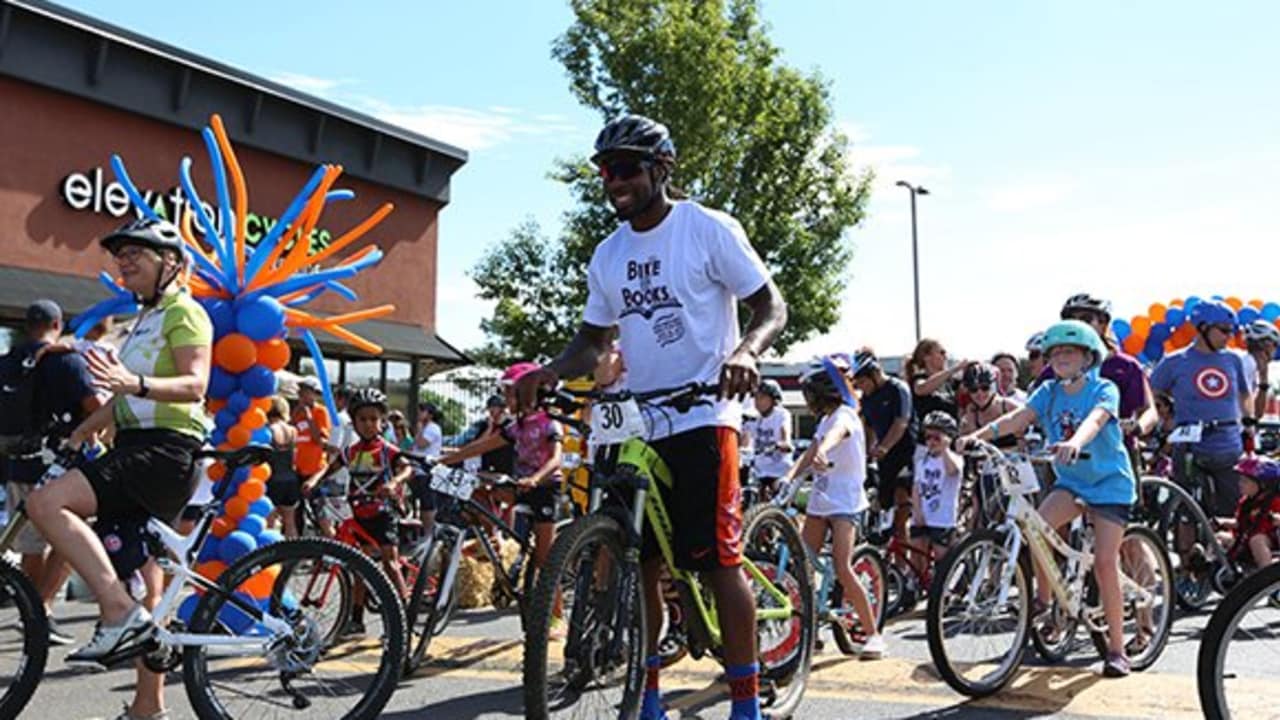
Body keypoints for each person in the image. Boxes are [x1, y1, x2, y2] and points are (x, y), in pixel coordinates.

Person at [513, 114, 788, 720]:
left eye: (627, 168)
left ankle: (746, 703)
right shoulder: (608, 255)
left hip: (704, 411)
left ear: (661, 170)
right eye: (607, 170)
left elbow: (771, 304)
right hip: (638, 420)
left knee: (718, 564)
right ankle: (650, 698)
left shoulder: (707, 228)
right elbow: (592, 339)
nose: (615, 181)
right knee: (641, 565)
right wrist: (551, 371)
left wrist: (745, 351)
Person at [26, 218, 212, 720]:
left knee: (45, 503)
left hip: (164, 451)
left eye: (138, 253)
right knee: (144, 579)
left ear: (171, 263)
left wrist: (132, 382)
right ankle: (147, 707)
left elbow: (195, 386)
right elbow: (126, 397)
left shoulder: (186, 314)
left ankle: (115, 609)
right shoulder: (144, 321)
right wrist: (84, 431)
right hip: (138, 444)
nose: (124, 261)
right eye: (121, 254)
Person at [958, 320, 1137, 678]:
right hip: (1071, 482)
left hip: (1109, 484)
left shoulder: (1104, 388)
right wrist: (978, 435)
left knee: (1104, 562)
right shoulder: (1049, 391)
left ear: (1088, 356)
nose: (1060, 358)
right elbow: (1018, 417)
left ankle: (1117, 650)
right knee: (1034, 527)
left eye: (1068, 351)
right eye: (1054, 352)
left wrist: (1075, 442)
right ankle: (1045, 598)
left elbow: (1097, 420)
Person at [2, 300, 102, 646]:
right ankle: (41, 609)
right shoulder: (65, 360)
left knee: (32, 544)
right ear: (57, 324)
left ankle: (31, 611)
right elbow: (96, 409)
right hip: (60, 465)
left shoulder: (7, 362)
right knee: (72, 535)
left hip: (17, 463)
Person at [438, 362, 565, 627]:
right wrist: (446, 460)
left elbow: (555, 460)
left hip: (543, 489)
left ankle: (556, 617)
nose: (506, 401)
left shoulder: (549, 422)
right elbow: (482, 445)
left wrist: (536, 478)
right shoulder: (516, 426)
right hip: (520, 486)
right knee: (477, 492)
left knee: (545, 560)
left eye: (510, 394)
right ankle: (493, 544)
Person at [776, 360, 883, 659]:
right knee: (803, 564)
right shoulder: (824, 421)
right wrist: (789, 478)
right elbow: (809, 454)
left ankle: (873, 634)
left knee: (841, 565)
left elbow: (839, 434)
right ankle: (811, 627)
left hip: (844, 503)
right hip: (820, 500)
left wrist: (824, 451)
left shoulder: (844, 415)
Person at [303, 387, 412, 635]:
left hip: (383, 513)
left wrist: (394, 483)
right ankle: (356, 618)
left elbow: (406, 469)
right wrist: (313, 480)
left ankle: (402, 618)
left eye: (373, 419)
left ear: (382, 421)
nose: (368, 424)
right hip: (359, 514)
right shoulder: (351, 451)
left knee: (389, 564)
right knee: (359, 568)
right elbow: (329, 467)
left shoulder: (386, 450)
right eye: (362, 419)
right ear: (353, 422)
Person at [1150, 299, 1253, 517]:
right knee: (1186, 509)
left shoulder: (1233, 359)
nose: (1229, 337)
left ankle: (1225, 548)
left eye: (1232, 331)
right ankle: (1186, 549)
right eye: (1224, 331)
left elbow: (1244, 393)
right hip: (1189, 444)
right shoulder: (1175, 361)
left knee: (1232, 508)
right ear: (1203, 328)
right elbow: (1151, 391)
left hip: (1227, 443)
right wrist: (1167, 410)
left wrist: (1249, 423)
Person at [852, 348, 916, 541]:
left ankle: (904, 560)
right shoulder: (868, 398)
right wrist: (865, 454)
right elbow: (868, 428)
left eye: (862, 382)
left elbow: (901, 422)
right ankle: (889, 557)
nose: (861, 387)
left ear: (874, 374)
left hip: (907, 453)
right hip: (885, 459)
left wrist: (884, 446)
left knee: (901, 500)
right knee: (884, 505)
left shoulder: (898, 388)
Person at [1211, 456, 1280, 573]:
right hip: (1244, 539)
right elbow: (1240, 522)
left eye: (1245, 481)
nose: (1240, 484)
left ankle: (1267, 576)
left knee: (1257, 540)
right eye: (1240, 480)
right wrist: (1221, 522)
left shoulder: (1275, 501)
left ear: (1263, 485)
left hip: (1269, 541)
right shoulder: (1246, 502)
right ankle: (1210, 568)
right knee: (1219, 537)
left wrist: (1275, 518)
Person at [912, 411, 962, 559]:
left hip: (943, 519)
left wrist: (945, 448)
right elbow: (916, 488)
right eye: (928, 438)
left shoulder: (955, 459)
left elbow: (952, 471)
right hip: (923, 516)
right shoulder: (922, 462)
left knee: (942, 558)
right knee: (916, 554)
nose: (931, 442)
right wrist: (917, 510)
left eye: (937, 438)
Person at [741, 379, 792, 500]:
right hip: (759, 470)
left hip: (779, 469)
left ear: (774, 399)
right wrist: (742, 450)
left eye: (762, 397)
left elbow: (785, 431)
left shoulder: (781, 414)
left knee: (777, 497)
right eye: (756, 398)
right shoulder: (754, 418)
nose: (757, 402)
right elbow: (745, 438)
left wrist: (784, 442)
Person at [958, 363, 1023, 447]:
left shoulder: (1010, 407)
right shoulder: (970, 415)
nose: (979, 393)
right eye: (973, 389)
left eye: (985, 388)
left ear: (993, 386)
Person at [265, 396, 301, 538]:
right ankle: (293, 554)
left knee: (270, 521)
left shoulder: (268, 430)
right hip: (291, 479)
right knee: (290, 522)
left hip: (273, 478)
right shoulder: (293, 430)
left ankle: (270, 554)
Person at [905, 338, 963, 425]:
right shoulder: (918, 379)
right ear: (926, 357)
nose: (945, 357)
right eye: (941, 353)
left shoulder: (950, 383)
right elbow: (921, 389)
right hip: (926, 435)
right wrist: (954, 369)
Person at [1242, 320, 1279, 421]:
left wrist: (1264, 378)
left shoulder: (1256, 369)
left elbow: (1258, 413)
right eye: (1275, 345)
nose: (1275, 350)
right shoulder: (1245, 364)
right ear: (1266, 345)